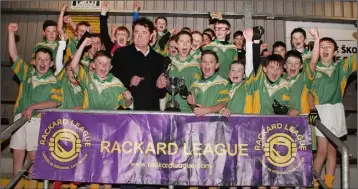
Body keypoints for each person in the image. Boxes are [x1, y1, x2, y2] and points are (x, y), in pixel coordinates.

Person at [8, 23, 62, 189]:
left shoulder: (55, 81)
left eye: (46, 60)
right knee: (18, 156)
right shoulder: (27, 73)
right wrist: (10, 33)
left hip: (38, 120)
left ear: (51, 64)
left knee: (33, 159)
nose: (42, 62)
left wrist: (34, 107)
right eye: (39, 59)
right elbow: (13, 54)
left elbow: (55, 102)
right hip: (20, 118)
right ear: (34, 61)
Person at [309, 37, 357, 189]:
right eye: (321, 46)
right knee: (321, 151)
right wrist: (312, 110)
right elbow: (308, 92)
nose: (324, 49)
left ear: (335, 51)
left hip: (336, 111)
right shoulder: (312, 68)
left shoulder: (341, 67)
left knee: (332, 150)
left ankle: (328, 185)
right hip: (320, 111)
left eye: (328, 46)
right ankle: (313, 184)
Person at [112, 17, 168, 111]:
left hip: (151, 112)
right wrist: (129, 81)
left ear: (151, 36)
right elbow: (112, 79)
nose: (139, 36)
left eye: (144, 33)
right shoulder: (121, 54)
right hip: (127, 112)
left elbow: (161, 94)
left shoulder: (159, 59)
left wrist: (160, 86)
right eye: (136, 32)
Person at [220, 28, 254, 116]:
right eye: (233, 70)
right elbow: (219, 105)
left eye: (239, 71)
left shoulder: (246, 86)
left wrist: (249, 41)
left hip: (244, 125)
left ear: (244, 75)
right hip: (228, 126)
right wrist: (222, 110)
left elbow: (249, 65)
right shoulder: (225, 88)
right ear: (228, 74)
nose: (235, 73)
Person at [187, 50, 230, 116]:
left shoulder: (223, 83)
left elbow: (224, 104)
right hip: (198, 123)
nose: (207, 64)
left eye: (211, 62)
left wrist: (207, 110)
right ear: (200, 65)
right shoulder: (194, 85)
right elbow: (195, 109)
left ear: (217, 65)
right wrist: (192, 104)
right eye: (204, 61)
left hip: (215, 123)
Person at [168, 31, 201, 112]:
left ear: (191, 45)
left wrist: (190, 94)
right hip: (169, 109)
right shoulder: (169, 62)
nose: (185, 44)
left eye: (188, 42)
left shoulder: (197, 66)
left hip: (188, 111)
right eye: (182, 41)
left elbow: (197, 90)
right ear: (176, 44)